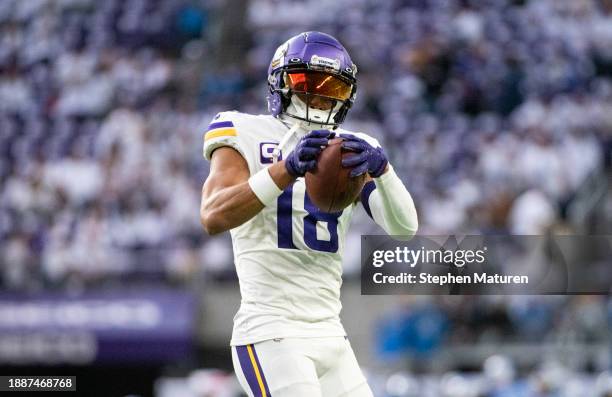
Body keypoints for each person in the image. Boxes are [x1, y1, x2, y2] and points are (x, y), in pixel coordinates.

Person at [200, 31, 418, 397]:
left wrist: (384, 171)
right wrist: (286, 169)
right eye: (307, 82)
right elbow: (212, 215)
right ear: (280, 81)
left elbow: (405, 229)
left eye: (333, 89)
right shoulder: (245, 130)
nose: (319, 97)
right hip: (271, 332)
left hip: (331, 333)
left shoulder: (349, 148)